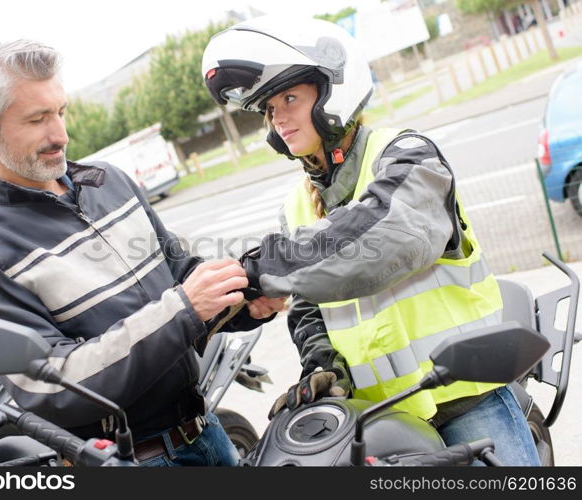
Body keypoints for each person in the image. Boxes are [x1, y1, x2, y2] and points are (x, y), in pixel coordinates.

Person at [201, 16, 540, 465]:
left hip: (467, 401)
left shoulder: (407, 155)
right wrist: (324, 367)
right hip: (382, 418)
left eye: (288, 98)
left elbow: (379, 237)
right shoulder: (296, 207)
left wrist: (260, 268)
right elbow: (307, 309)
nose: (278, 117)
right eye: (267, 108)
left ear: (333, 92)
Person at [0, 40, 285, 467]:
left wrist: (243, 302)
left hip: (207, 433)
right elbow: (54, 387)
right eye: (37, 119)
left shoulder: (110, 182)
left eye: (61, 111)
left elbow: (179, 276)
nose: (60, 135)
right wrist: (183, 310)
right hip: (133, 462)